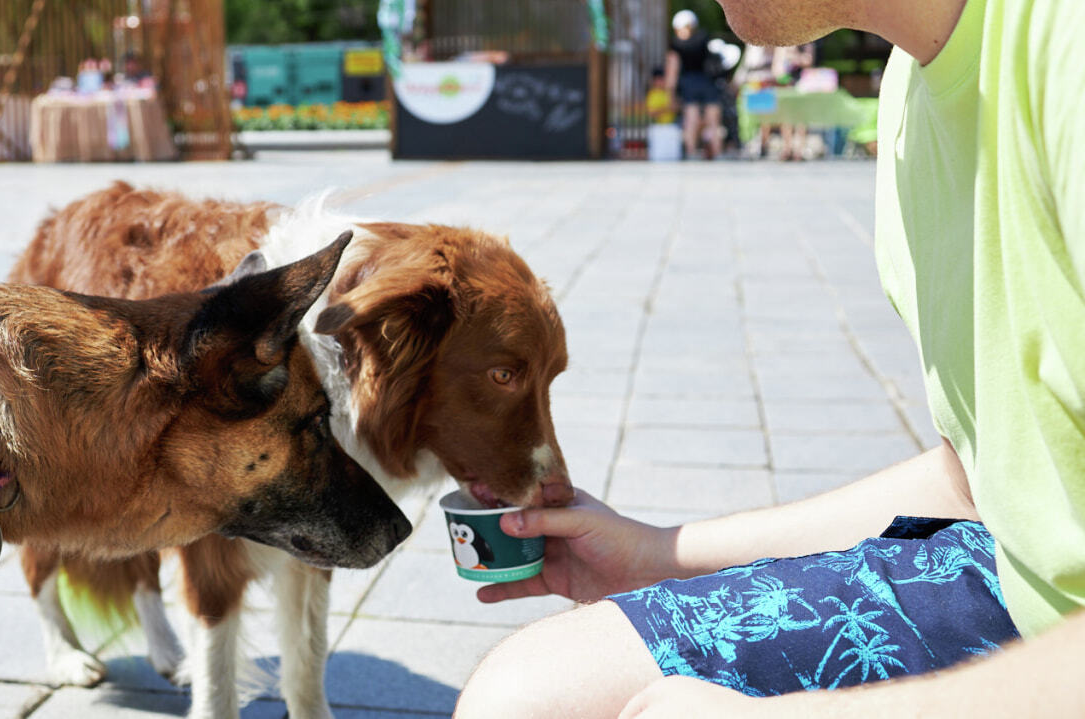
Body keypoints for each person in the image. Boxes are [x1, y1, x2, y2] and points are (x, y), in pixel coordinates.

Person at [457, 0, 1085, 715]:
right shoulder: (911, 91)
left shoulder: (1066, 40)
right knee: (530, 697)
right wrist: (656, 553)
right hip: (1007, 578)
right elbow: (974, 478)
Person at [664, 10, 722, 160]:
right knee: (713, 121)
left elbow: (673, 73)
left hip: (689, 83)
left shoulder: (676, 45)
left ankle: (691, 152)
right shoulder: (704, 38)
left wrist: (670, 94)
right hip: (707, 82)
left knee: (691, 119)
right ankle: (717, 152)